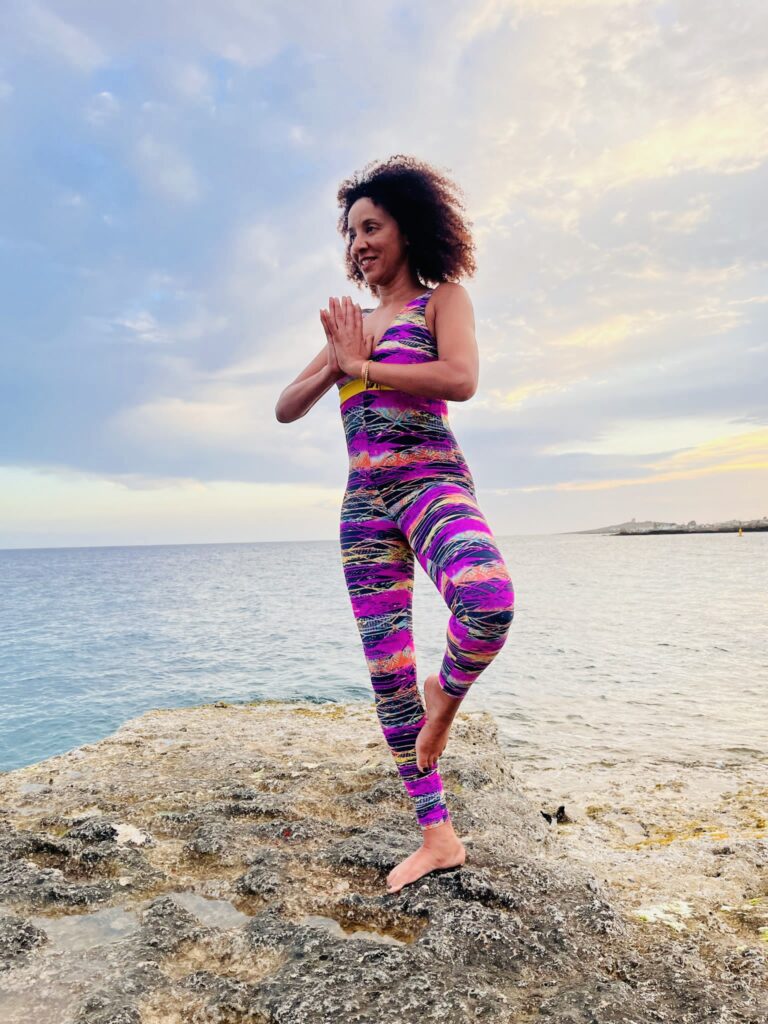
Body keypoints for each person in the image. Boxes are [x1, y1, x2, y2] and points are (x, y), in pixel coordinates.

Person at [275, 155, 515, 893]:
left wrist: (365, 368)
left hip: (430, 481)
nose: (359, 244)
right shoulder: (352, 326)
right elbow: (285, 407)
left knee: (487, 601)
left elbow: (460, 380)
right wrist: (337, 360)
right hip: (364, 506)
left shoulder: (443, 301)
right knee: (387, 673)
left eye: (372, 227)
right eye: (351, 233)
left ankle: (445, 696)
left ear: (408, 229)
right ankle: (437, 837)